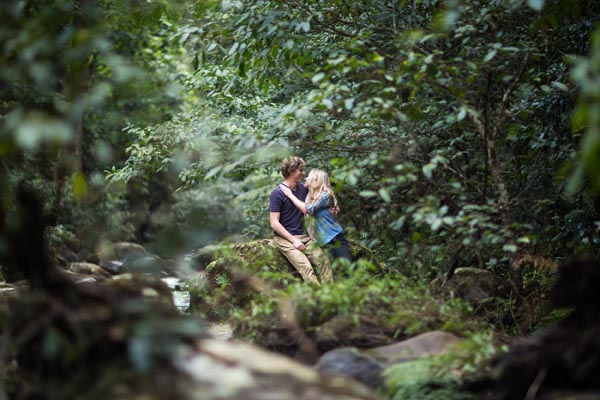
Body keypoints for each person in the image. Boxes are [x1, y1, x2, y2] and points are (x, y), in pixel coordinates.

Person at [269, 157, 333, 286]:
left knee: (324, 262)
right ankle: (319, 303)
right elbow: (274, 223)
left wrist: (332, 205)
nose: (303, 173)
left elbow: (317, 201)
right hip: (284, 238)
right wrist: (293, 240)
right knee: (306, 268)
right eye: (301, 170)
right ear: (292, 171)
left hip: (304, 237)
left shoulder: (303, 189)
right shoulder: (277, 193)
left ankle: (330, 298)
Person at [279, 168, 352, 263]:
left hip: (334, 238)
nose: (305, 178)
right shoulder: (310, 195)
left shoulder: (325, 196)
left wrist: (290, 195)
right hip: (322, 242)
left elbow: (307, 210)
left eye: (308, 177)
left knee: (345, 268)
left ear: (316, 181)